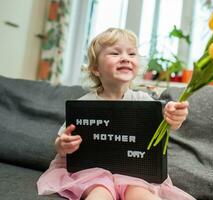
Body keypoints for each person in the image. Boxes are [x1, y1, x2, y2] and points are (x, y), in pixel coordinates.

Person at [37, 28, 195, 200]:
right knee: (99, 192)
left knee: (139, 193)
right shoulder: (84, 105)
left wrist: (174, 115)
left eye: (132, 53)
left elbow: (167, 121)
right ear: (96, 68)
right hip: (91, 172)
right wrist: (63, 145)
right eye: (115, 53)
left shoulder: (143, 101)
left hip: (133, 171)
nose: (125, 58)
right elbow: (62, 142)